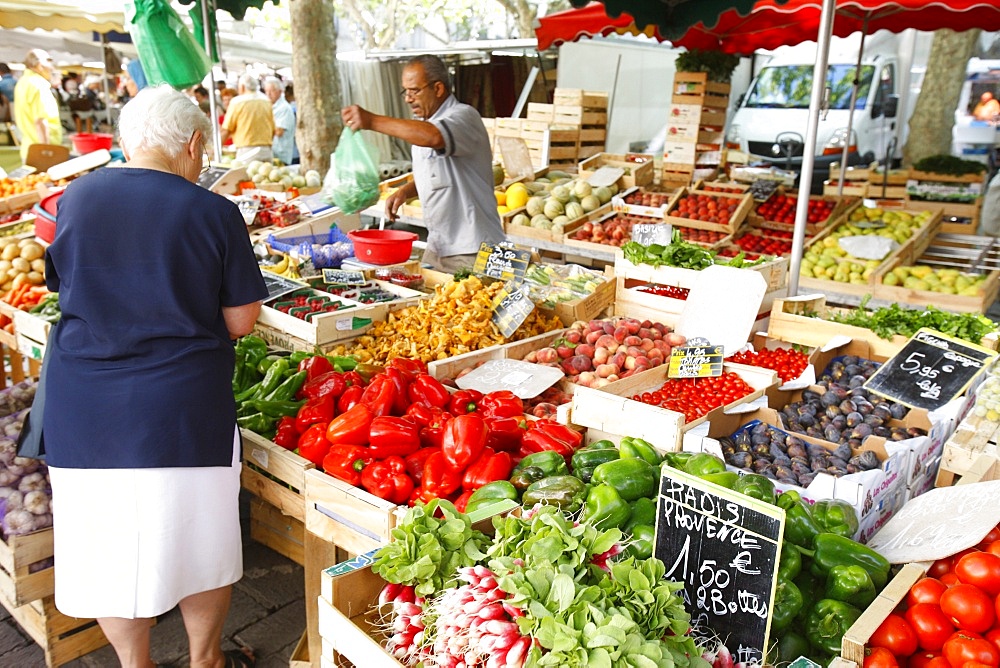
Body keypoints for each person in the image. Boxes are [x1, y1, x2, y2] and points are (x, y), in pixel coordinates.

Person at [43, 84, 266, 668]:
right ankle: (205, 659)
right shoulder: (213, 210)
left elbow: (63, 286)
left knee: (107, 551)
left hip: (84, 404)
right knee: (201, 542)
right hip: (182, 408)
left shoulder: (76, 198)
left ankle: (134, 664)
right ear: (192, 143)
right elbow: (241, 320)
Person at [341, 54, 504, 272]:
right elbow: (436, 172)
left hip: (474, 247)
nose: (408, 99)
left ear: (438, 89)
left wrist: (372, 121)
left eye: (414, 91)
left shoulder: (464, 117)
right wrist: (405, 191)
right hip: (440, 245)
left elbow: (434, 137)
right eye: (405, 92)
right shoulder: (423, 125)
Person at [13, 49, 63, 162]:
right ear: (40, 65)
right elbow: (40, 121)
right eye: (49, 62)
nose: (52, 68)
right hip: (42, 152)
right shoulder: (38, 84)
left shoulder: (22, 82)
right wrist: (46, 151)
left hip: (29, 148)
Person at [220, 74, 275, 164]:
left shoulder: (237, 102)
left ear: (242, 87)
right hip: (266, 150)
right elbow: (273, 129)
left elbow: (226, 130)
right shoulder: (266, 101)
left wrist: (216, 149)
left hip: (247, 151)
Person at [263, 76, 295, 165]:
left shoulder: (284, 108)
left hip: (280, 156)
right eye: (266, 91)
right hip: (272, 153)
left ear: (280, 91)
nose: (268, 94)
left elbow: (279, 132)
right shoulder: (269, 106)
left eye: (272, 91)